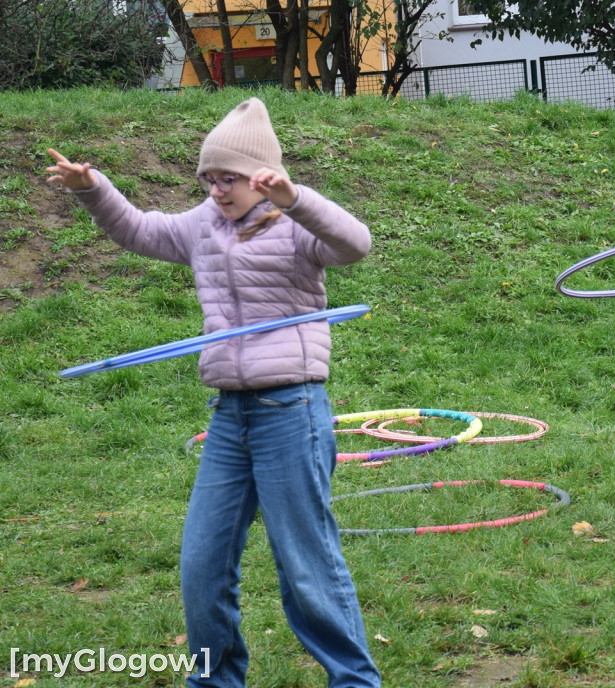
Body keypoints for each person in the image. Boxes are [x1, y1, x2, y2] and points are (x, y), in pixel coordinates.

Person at [46, 98, 382, 687]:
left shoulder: (297, 231)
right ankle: (216, 680)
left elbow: (355, 243)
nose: (217, 190)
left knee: (305, 567)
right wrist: (92, 187)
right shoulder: (203, 225)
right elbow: (139, 229)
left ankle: (355, 680)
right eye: (209, 179)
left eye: (229, 178)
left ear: (262, 177)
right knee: (201, 565)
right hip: (230, 417)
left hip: (292, 411)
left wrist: (295, 198)